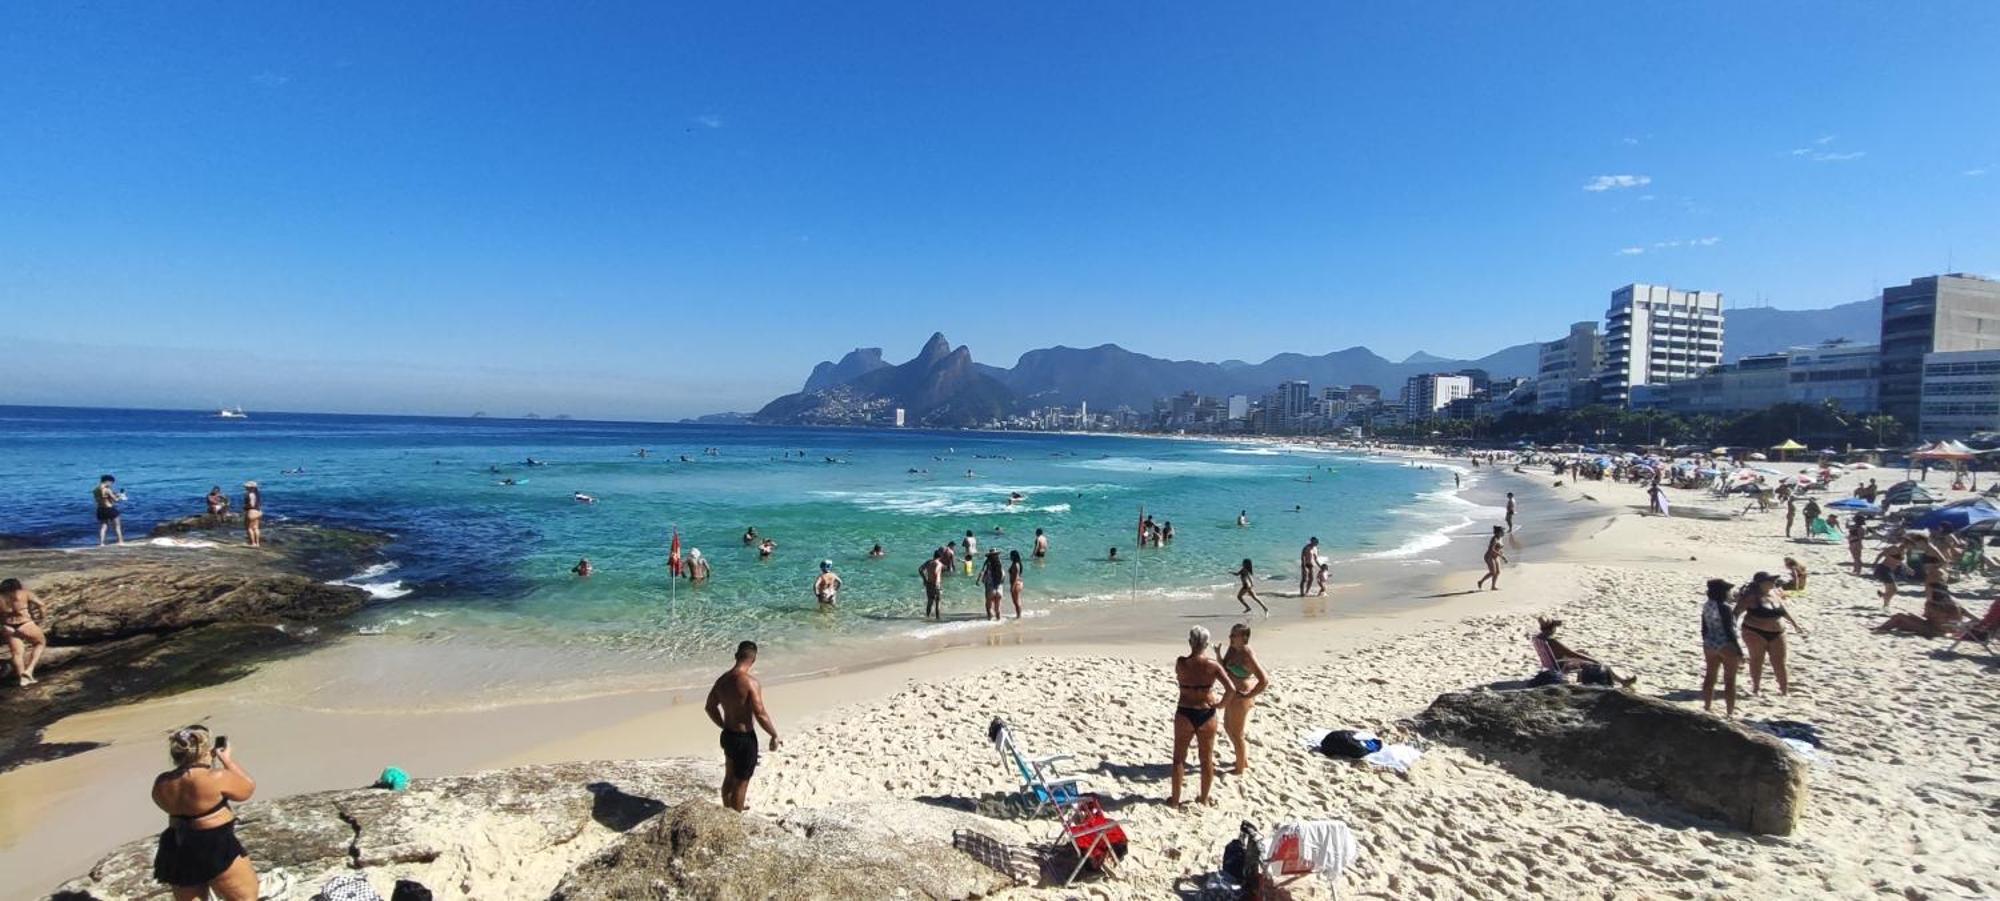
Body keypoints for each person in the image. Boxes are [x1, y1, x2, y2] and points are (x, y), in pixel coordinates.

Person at [151, 725, 257, 899]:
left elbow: (161, 802)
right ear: (205, 751)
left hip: (177, 844)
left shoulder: (162, 781)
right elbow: (247, 788)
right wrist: (226, 759)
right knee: (245, 898)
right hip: (214, 844)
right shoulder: (215, 777)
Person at [1169, 626, 1242, 807]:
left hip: (1185, 710)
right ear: (1207, 644)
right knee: (1206, 758)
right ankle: (1203, 798)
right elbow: (1231, 689)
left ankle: (1175, 800)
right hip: (1206, 712)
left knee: (1179, 758)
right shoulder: (1212, 665)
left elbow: (1181, 676)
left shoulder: (1181, 662)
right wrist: (1221, 704)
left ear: (1190, 642)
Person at [704, 641, 780, 812]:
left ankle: (727, 810)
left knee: (729, 776)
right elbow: (760, 713)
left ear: (736, 656)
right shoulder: (750, 682)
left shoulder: (722, 681)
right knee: (741, 783)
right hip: (745, 739)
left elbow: (709, 707)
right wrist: (774, 735)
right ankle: (735, 819)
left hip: (728, 735)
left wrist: (723, 725)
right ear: (753, 660)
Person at [1736, 573, 1804, 696]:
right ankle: (1756, 688)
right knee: (1757, 660)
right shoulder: (1751, 597)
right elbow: (1736, 613)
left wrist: (1795, 624)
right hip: (1754, 631)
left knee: (1780, 661)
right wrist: (1732, 630)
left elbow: (1783, 610)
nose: (1773, 582)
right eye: (1770, 580)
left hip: (1778, 632)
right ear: (1760, 583)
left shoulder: (1776, 592)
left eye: (1773, 580)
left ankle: (1784, 690)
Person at [1218, 623, 1269, 776]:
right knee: (1227, 727)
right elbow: (1225, 668)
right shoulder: (1232, 649)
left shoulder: (1247, 654)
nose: (1230, 637)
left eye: (1234, 635)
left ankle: (1240, 768)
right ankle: (1242, 759)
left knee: (1237, 732)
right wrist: (1218, 655)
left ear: (1244, 638)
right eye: (1231, 634)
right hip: (1231, 694)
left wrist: (1249, 695)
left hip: (1241, 696)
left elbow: (1264, 680)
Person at [1700, 578, 1743, 717]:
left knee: (1710, 676)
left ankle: (1707, 706)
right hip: (1726, 644)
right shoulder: (1725, 607)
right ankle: (1729, 712)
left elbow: (1704, 627)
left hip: (1710, 644)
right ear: (1723, 592)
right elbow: (1729, 629)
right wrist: (1738, 649)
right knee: (1730, 680)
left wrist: (1706, 641)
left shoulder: (1707, 605)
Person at [1875, 580, 1969, 637]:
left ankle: (1880, 629)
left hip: (1934, 630)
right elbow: (1968, 617)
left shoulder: (1932, 604)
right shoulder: (1955, 604)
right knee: (1902, 623)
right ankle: (1883, 628)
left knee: (1898, 617)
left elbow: (1928, 617)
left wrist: (1915, 616)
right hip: (1950, 631)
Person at [3, 578, 48, 687]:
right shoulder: (24, 593)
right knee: (40, 643)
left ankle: (22, 679)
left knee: (17, 653)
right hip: (24, 624)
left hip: (7, 626)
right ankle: (29, 670)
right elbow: (41, 605)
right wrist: (41, 618)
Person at [94, 474, 125, 546]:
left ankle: (101, 543)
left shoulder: (95, 489)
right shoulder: (107, 489)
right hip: (109, 509)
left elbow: (103, 498)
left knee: (103, 526)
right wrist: (120, 496)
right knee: (117, 526)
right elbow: (115, 500)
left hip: (100, 509)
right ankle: (120, 542)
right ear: (107, 481)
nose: (111, 484)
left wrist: (114, 495)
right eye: (111, 483)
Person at [1476, 526, 1507, 590]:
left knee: (1498, 572)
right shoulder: (1494, 539)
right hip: (1489, 556)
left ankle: (1493, 586)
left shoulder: (1500, 538)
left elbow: (1499, 548)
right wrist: (1501, 556)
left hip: (1495, 556)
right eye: (1502, 532)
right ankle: (1480, 582)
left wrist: (1502, 555)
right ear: (1498, 533)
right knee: (1493, 572)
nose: (1504, 533)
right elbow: (1491, 549)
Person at [919, 549, 946, 620]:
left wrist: (924, 579)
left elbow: (920, 569)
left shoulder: (928, 562)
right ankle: (938, 619)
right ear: (940, 556)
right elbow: (936, 573)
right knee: (937, 603)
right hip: (936, 585)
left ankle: (927, 617)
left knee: (930, 602)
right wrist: (937, 584)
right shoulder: (939, 564)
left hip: (928, 584)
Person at [978, 550, 1004, 620]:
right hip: (999, 590)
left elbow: (982, 572)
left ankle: (990, 624)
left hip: (990, 589)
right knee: (997, 609)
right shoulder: (1000, 564)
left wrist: (978, 580)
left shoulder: (987, 564)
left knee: (988, 608)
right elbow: (1003, 577)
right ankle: (999, 623)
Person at [240, 481, 262, 548]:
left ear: (250, 487)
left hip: (251, 511)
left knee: (249, 528)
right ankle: (257, 543)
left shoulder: (250, 494)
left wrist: (245, 507)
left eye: (247, 487)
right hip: (258, 511)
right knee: (256, 528)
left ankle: (253, 543)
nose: (245, 487)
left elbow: (251, 504)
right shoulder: (257, 494)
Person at [1006, 550, 1025, 619]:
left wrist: (1012, 587)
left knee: (1016, 601)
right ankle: (1018, 615)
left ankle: (1018, 616)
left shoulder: (1015, 564)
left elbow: (1016, 577)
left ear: (1013, 556)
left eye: (1011, 556)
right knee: (1017, 600)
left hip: (1016, 584)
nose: (1010, 557)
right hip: (1019, 583)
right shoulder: (1017, 563)